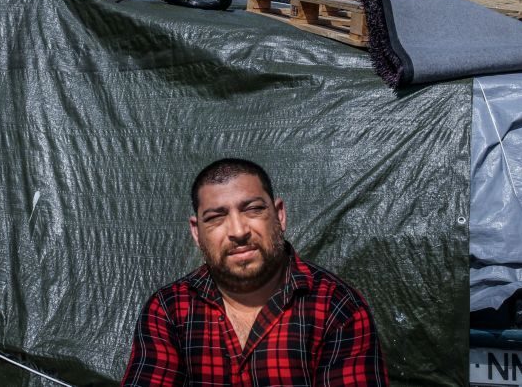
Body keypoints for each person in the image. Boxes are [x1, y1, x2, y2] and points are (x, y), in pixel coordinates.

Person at [122, 158, 389, 386]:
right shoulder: (169, 309)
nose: (238, 231)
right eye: (216, 217)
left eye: (252, 209)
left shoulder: (337, 307)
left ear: (279, 215)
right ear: (196, 232)